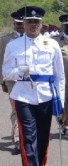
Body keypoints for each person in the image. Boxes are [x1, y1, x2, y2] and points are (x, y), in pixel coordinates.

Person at [2, 6, 65, 165]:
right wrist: (20, 72)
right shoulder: (13, 45)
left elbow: (59, 75)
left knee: (43, 137)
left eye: (36, 21)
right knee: (28, 137)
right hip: (23, 96)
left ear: (41, 24)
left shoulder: (52, 44)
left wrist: (61, 100)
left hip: (46, 96)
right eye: (29, 21)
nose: (33, 25)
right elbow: (6, 72)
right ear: (23, 23)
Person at [0, 10, 24, 154]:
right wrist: (2, 81)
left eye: (23, 23)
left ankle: (28, 139)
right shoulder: (5, 40)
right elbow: (1, 61)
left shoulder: (33, 38)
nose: (21, 26)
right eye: (18, 24)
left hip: (31, 81)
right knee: (16, 109)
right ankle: (17, 141)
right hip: (12, 81)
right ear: (14, 24)